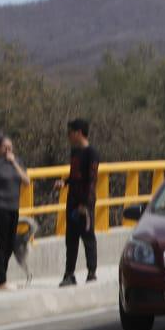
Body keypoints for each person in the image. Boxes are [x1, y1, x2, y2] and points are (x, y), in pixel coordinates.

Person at [53, 118, 100, 286]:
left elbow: (92, 179)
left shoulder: (91, 153)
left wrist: (85, 204)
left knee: (88, 237)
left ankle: (92, 272)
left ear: (79, 132)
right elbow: (75, 176)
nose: (68, 136)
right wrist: (64, 182)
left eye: (70, 132)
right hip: (72, 200)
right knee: (70, 238)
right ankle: (69, 274)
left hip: (85, 203)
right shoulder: (74, 152)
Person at [0, 134, 31, 289]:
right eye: (5, 147)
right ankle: (1, 281)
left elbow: (26, 181)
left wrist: (14, 163)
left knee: (10, 244)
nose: (8, 150)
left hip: (13, 207)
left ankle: (2, 276)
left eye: (10, 147)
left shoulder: (18, 162)